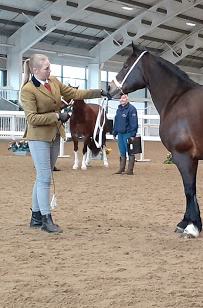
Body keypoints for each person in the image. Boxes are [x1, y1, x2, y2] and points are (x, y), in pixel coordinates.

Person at [21, 53, 107, 233]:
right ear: (35, 70)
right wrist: (56, 116)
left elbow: (75, 93)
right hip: (38, 137)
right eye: (46, 68)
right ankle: (46, 219)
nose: (50, 70)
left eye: (50, 67)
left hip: (53, 135)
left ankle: (35, 217)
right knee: (45, 178)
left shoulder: (53, 82)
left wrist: (99, 92)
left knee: (42, 177)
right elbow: (31, 117)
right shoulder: (28, 90)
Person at [112, 94, 139, 175]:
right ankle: (121, 168)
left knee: (130, 151)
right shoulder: (119, 109)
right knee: (122, 151)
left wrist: (133, 134)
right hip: (120, 134)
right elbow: (116, 122)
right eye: (121, 98)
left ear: (127, 99)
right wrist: (114, 133)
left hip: (128, 134)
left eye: (123, 98)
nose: (122, 100)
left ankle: (130, 170)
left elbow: (134, 122)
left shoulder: (132, 109)